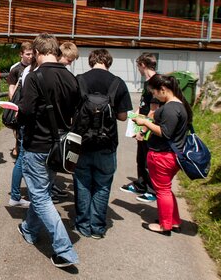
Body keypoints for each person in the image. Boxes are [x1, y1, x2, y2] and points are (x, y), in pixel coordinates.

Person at [16, 33, 80, 268]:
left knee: (41, 196)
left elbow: (26, 111)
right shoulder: (72, 78)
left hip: (37, 144)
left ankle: (64, 250)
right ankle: (29, 230)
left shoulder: (35, 77)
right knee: (40, 191)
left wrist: (15, 111)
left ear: (38, 52)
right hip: (59, 147)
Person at [72, 49, 131, 239]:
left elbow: (70, 112)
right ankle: (97, 227)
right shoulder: (118, 83)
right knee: (103, 184)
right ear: (109, 62)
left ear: (91, 61)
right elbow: (122, 117)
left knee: (82, 183)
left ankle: (82, 225)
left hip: (81, 142)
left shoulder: (79, 80)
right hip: (107, 143)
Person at [132, 74, 192, 236]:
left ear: (163, 89)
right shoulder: (179, 105)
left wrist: (145, 122)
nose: (154, 96)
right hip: (172, 155)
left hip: (163, 156)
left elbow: (165, 133)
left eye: (155, 92)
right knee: (165, 189)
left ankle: (165, 226)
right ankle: (174, 221)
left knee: (162, 191)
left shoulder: (171, 108)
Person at [120, 53, 159, 202]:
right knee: (140, 158)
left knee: (148, 159)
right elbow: (145, 104)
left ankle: (152, 190)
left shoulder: (155, 82)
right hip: (142, 123)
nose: (138, 69)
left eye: (138, 66)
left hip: (148, 128)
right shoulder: (147, 82)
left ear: (143, 64)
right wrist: (135, 115)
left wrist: (143, 131)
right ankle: (141, 184)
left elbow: (154, 110)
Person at [6, 42, 34, 206]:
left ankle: (17, 147)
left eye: (32, 54)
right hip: (19, 108)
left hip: (23, 110)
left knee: (20, 144)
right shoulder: (16, 68)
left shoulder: (33, 68)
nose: (30, 57)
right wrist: (14, 104)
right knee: (19, 138)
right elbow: (11, 87)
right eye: (27, 54)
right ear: (21, 54)